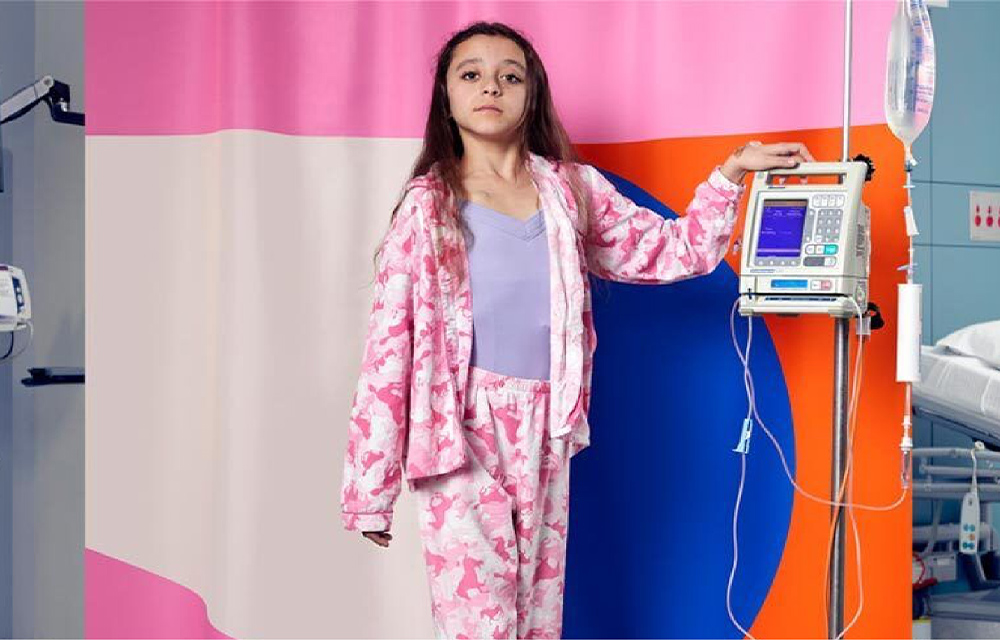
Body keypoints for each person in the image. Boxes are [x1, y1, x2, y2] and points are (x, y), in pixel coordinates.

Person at [340, 20, 815, 639]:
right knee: (478, 623)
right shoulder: (428, 207)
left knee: (538, 619)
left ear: (530, 95)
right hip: (460, 431)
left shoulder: (570, 192)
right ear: (447, 97)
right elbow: (388, 350)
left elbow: (675, 250)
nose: (491, 86)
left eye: (510, 76)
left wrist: (731, 173)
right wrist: (368, 490)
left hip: (550, 423)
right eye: (472, 74)